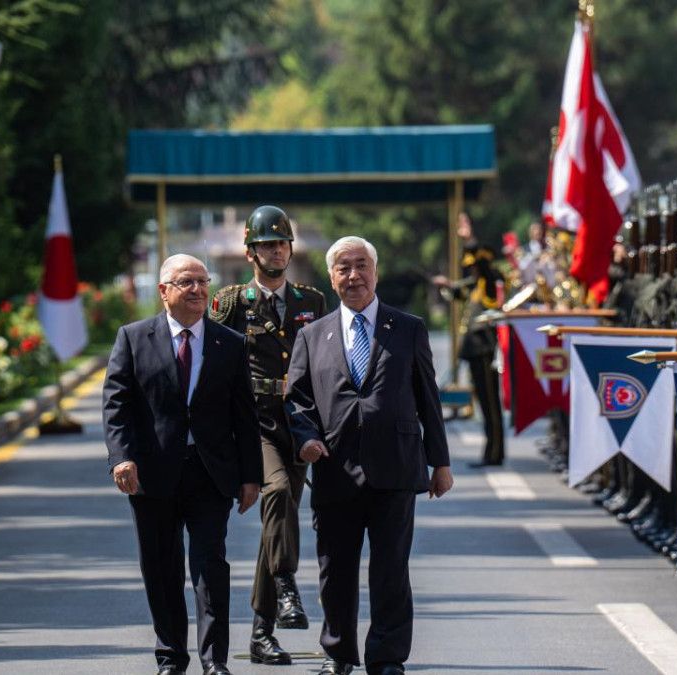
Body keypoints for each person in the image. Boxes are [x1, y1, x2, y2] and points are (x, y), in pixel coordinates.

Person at [286, 236, 453, 675]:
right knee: (335, 570)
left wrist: (440, 462)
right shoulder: (311, 335)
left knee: (391, 569)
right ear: (332, 277)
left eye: (361, 265)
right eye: (344, 268)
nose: (354, 275)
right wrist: (305, 439)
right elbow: (297, 400)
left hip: (395, 465)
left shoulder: (408, 328)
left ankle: (387, 656)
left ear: (375, 272)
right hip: (334, 467)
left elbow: (428, 397)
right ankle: (338, 653)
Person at [103, 254, 262, 675]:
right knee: (161, 568)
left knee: (210, 566)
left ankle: (214, 660)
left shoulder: (229, 343)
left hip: (210, 474)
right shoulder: (133, 338)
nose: (197, 289)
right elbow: (116, 406)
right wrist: (122, 458)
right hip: (152, 474)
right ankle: (171, 656)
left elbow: (244, 416)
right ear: (164, 291)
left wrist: (251, 476)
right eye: (186, 282)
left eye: (202, 281)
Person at [209, 205, 326, 665]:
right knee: (275, 493)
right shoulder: (231, 303)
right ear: (250, 252)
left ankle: (261, 634)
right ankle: (286, 583)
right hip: (254, 424)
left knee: (276, 526)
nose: (276, 251)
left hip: (297, 424)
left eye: (281, 243)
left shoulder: (311, 302)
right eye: (266, 245)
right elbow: (214, 366)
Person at [432, 212, 505, 467]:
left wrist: (470, 238)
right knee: (484, 403)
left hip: (485, 350)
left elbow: (483, 271)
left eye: (474, 264)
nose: (471, 268)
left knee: (491, 404)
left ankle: (494, 453)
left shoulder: (490, 281)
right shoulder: (475, 285)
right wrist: (445, 284)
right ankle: (491, 452)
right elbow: (458, 290)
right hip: (475, 351)